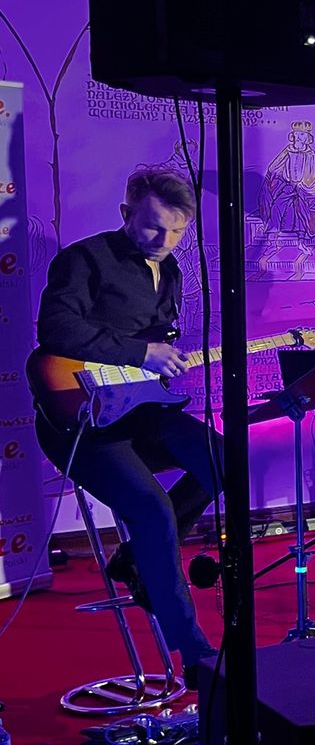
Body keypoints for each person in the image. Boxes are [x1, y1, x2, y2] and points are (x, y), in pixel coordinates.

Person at [33, 170, 221, 682]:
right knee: (152, 509)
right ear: (126, 214)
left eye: (178, 230)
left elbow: (158, 344)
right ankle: (196, 655)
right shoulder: (85, 259)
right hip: (82, 419)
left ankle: (136, 560)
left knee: (226, 460)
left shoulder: (172, 270)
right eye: (154, 227)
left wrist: (162, 361)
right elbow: (56, 328)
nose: (166, 240)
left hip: (143, 410)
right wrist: (140, 352)